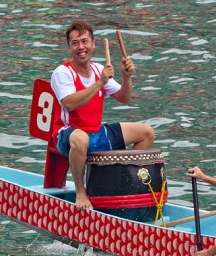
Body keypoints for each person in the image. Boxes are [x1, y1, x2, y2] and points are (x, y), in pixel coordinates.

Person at [50, 20, 155, 210]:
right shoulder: (62, 72)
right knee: (81, 138)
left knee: (146, 132)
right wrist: (99, 83)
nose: (80, 47)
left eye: (84, 41)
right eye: (75, 43)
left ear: (93, 43)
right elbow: (70, 104)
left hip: (97, 133)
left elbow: (124, 98)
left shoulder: (99, 69)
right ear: (69, 47)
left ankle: (126, 186)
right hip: (68, 135)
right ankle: (81, 193)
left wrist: (126, 76)